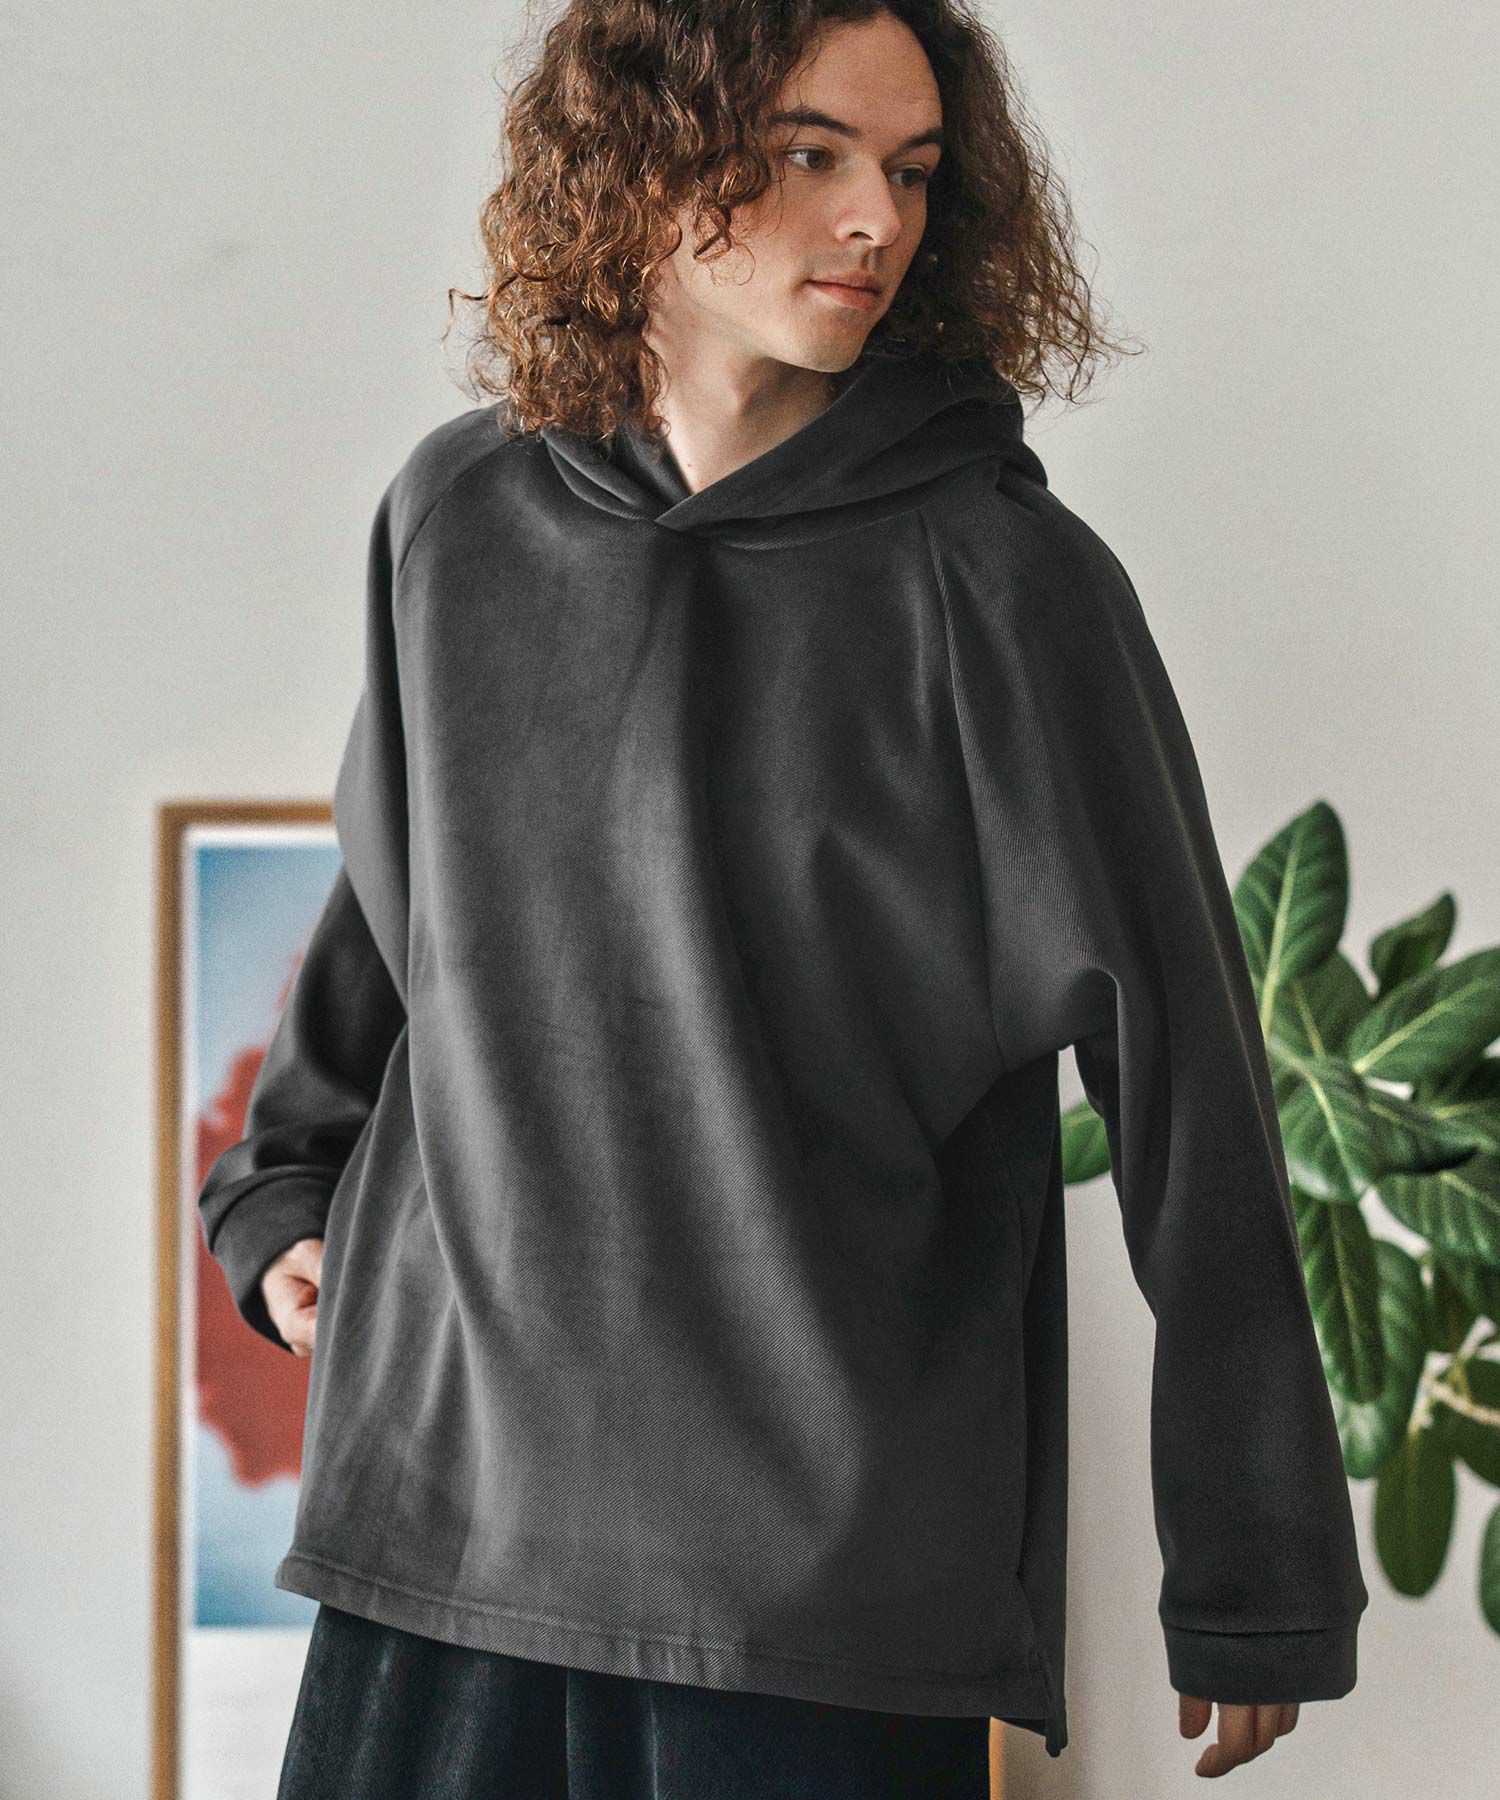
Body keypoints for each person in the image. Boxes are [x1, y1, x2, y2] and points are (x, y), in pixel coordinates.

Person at [198, 0, 1370, 1792]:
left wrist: (1256, 1569)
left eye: (912, 170)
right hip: (439, 1521)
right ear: (640, 157)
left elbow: (1187, 1073)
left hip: (812, 1586)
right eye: (809, 153)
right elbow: (401, 911)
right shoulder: (460, 514)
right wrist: (284, 1187)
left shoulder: (1007, 584)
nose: (874, 220)